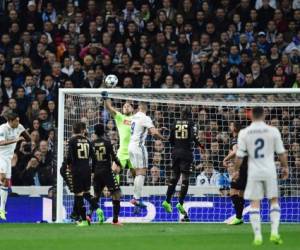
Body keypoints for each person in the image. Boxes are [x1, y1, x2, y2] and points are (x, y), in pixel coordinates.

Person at [235, 106, 289, 245]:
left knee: (255, 202)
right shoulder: (273, 131)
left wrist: (236, 171)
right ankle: (274, 233)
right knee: (273, 200)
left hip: (253, 172)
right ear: (264, 115)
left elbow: (239, 156)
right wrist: (285, 167)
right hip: (269, 170)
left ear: (251, 115)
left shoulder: (244, 132)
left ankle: (258, 236)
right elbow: (281, 153)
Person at [162, 106, 199, 221]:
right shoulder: (192, 123)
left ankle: (167, 200)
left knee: (174, 177)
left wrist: (177, 144)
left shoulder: (174, 123)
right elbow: (193, 138)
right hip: (186, 152)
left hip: (175, 152)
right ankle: (180, 203)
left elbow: (170, 140)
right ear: (190, 114)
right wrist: (199, 145)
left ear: (181, 114)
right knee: (185, 178)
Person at [128, 102, 165, 213]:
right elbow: (153, 133)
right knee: (142, 172)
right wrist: (164, 139)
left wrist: (158, 130)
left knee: (137, 172)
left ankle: (136, 199)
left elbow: (146, 130)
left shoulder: (134, 117)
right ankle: (136, 199)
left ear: (139, 107)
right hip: (139, 147)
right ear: (147, 108)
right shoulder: (145, 117)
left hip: (130, 147)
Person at [0, 112, 31, 220]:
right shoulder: (3, 128)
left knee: (5, 183)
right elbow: (1, 142)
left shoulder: (19, 126)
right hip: (0, 155)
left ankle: (1, 210)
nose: (18, 123)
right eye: (16, 121)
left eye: (18, 120)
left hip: (9, 157)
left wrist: (25, 144)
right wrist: (16, 140)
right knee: (2, 178)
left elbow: (28, 138)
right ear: (10, 121)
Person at [90, 123, 123, 225]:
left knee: (96, 196)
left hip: (96, 172)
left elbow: (92, 161)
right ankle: (115, 220)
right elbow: (114, 157)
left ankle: (88, 216)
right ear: (103, 132)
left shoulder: (92, 144)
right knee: (116, 193)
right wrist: (120, 165)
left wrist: (92, 172)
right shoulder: (107, 143)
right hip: (107, 172)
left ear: (95, 133)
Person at [102, 91, 134, 183]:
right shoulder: (120, 117)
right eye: (124, 106)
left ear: (132, 109)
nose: (126, 107)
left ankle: (136, 196)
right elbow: (109, 108)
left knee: (136, 174)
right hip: (123, 150)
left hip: (134, 150)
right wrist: (105, 98)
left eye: (128, 106)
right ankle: (116, 192)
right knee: (114, 170)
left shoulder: (137, 118)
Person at [66, 122, 94, 227]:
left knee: (78, 195)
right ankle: (97, 208)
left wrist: (69, 166)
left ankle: (83, 220)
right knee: (86, 193)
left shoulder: (72, 140)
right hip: (87, 169)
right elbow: (93, 156)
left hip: (77, 170)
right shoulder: (88, 141)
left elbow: (69, 156)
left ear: (73, 130)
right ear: (83, 130)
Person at [223, 122, 248, 225]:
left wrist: (225, 159)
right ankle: (240, 217)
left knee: (233, 191)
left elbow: (236, 151)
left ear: (234, 128)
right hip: (248, 167)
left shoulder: (236, 138)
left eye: (231, 125)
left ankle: (238, 217)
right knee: (241, 193)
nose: (229, 126)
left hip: (241, 167)